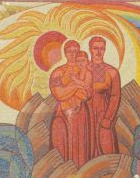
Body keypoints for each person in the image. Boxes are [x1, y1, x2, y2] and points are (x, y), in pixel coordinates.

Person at [49, 40, 93, 168]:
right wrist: (75, 86)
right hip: (63, 112)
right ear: (65, 53)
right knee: (61, 142)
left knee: (81, 144)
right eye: (70, 51)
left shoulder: (85, 71)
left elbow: (87, 94)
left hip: (80, 113)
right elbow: (59, 94)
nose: (73, 54)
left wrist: (69, 88)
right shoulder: (58, 72)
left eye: (75, 51)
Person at [87, 36, 121, 156]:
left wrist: (108, 118)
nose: (99, 52)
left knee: (105, 144)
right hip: (85, 114)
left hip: (103, 112)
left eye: (102, 48)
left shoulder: (112, 72)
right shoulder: (82, 69)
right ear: (90, 49)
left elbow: (115, 96)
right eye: (95, 48)